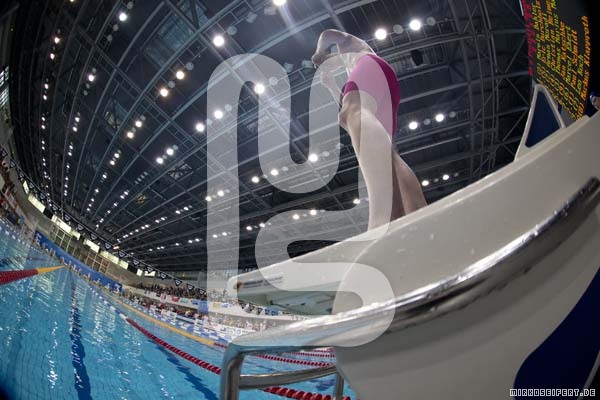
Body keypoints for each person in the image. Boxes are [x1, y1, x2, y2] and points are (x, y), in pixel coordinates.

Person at [312, 29, 426, 229]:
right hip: (385, 86)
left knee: (350, 113)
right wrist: (331, 85)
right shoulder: (351, 67)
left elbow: (328, 33)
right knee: (390, 154)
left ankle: (384, 216)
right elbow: (349, 106)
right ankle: (418, 213)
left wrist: (319, 51)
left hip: (373, 67)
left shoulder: (349, 47)